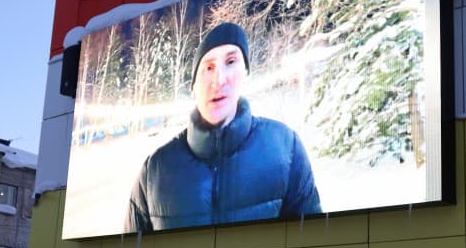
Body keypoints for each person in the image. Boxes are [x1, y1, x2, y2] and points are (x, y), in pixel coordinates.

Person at [125, 22, 321, 232]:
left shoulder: (285, 147)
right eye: (208, 67)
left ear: (244, 72)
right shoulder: (154, 171)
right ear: (193, 86)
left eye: (230, 61)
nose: (219, 80)